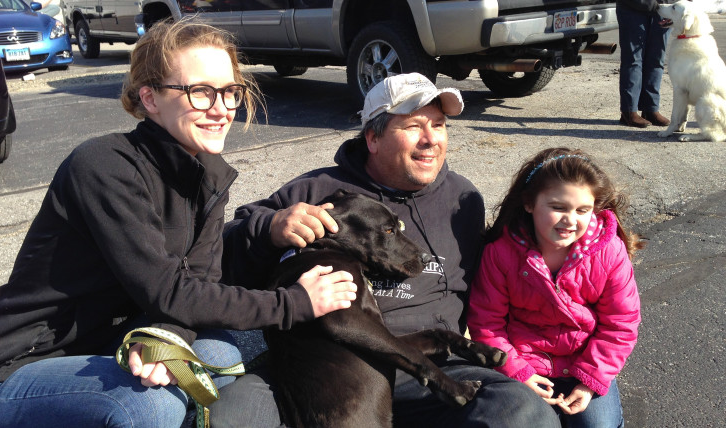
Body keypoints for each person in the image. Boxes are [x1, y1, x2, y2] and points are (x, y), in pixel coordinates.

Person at [0, 19, 357, 427]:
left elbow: (200, 282)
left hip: (116, 335)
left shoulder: (207, 174)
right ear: (150, 99)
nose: (222, 108)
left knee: (224, 350)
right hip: (23, 368)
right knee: (152, 407)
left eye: (230, 92)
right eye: (200, 92)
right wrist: (295, 303)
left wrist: (164, 337)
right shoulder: (103, 167)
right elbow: (170, 290)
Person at [215, 72, 561, 427]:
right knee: (234, 414)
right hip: (324, 366)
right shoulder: (316, 192)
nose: (431, 140)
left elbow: (505, 272)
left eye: (439, 125)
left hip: (431, 361)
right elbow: (221, 256)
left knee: (522, 411)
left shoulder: (463, 199)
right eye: (413, 126)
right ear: (373, 138)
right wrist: (269, 229)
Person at [467, 148, 643, 427]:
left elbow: (621, 324)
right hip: (524, 364)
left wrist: (591, 381)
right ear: (529, 204)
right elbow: (486, 323)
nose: (570, 220)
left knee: (599, 425)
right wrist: (517, 371)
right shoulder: (500, 253)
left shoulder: (609, 251)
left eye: (583, 210)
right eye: (558, 207)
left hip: (585, 365)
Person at [617, 0, 672, 128]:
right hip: (632, 8)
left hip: (663, 9)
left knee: (656, 60)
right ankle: (629, 111)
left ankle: (650, 109)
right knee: (633, 61)